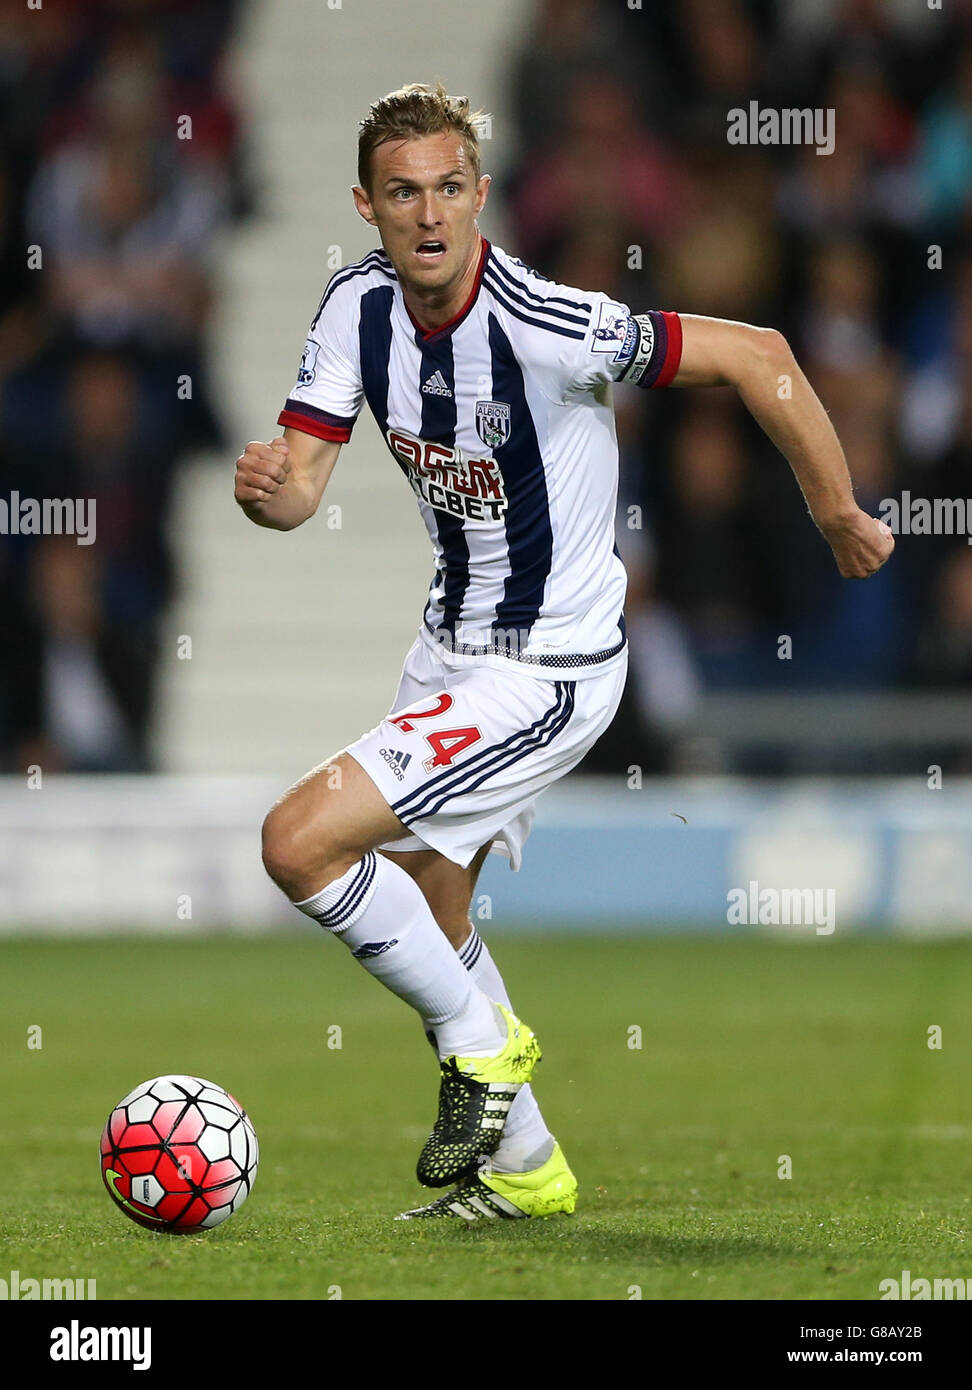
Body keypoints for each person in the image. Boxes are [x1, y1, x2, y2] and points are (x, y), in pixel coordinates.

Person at [235, 82, 894, 1221]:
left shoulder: (545, 322)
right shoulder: (355, 311)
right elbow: (299, 491)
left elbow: (759, 353)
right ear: (366, 204)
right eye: (404, 193)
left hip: (548, 669)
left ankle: (478, 1051)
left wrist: (835, 509)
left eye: (449, 188)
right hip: (448, 648)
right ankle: (530, 1169)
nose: (430, 214)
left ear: (482, 195)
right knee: (434, 907)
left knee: (297, 842)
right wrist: (266, 494)